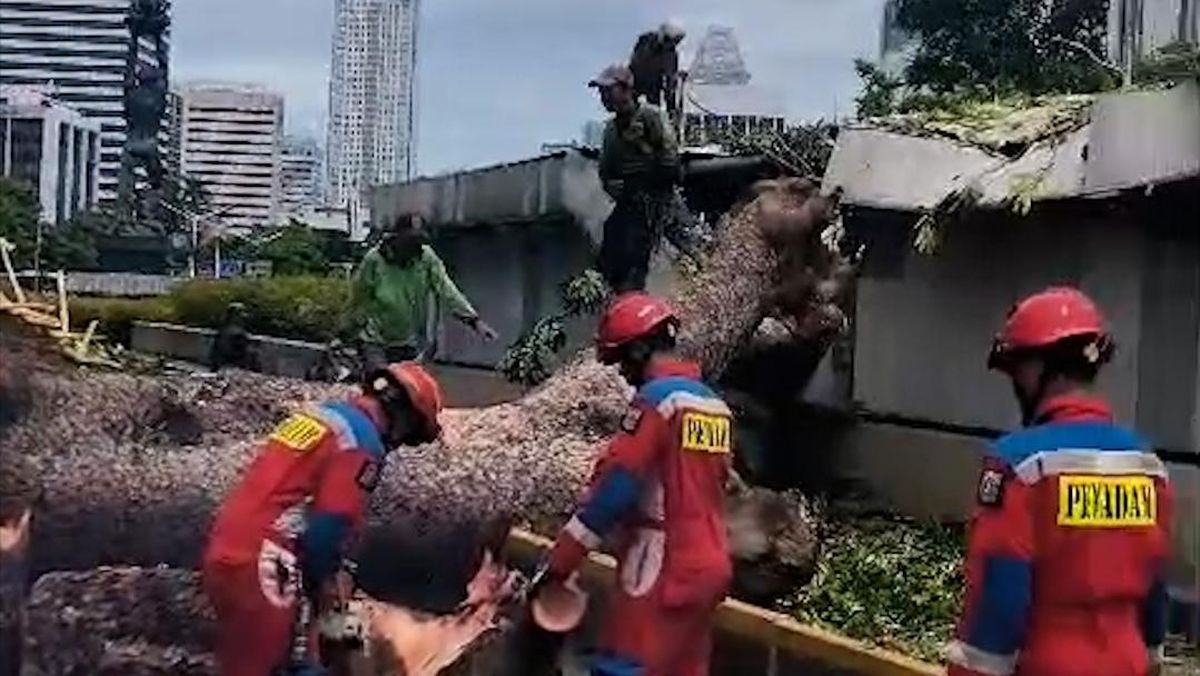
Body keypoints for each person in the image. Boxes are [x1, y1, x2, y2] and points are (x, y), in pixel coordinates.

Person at [947, 287, 1174, 676]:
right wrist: (1149, 658)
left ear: (1037, 368)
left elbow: (1000, 597)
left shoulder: (1019, 465)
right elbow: (1155, 585)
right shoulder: (1147, 465)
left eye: (1016, 370)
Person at [533, 292, 733, 676]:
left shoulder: (656, 401)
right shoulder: (715, 407)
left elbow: (615, 492)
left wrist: (559, 562)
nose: (621, 373)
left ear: (641, 350)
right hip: (711, 564)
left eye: (622, 359)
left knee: (623, 664)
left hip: (661, 562)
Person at [202, 362, 445, 676]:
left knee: (253, 661)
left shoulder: (323, 417)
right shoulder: (361, 443)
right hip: (266, 560)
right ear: (403, 417)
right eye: (409, 435)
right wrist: (334, 601)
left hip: (230, 546)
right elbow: (326, 535)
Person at [591, 65, 700, 293]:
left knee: (696, 248)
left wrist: (653, 185)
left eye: (608, 91)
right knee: (616, 253)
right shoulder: (610, 130)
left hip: (661, 196)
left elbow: (670, 158)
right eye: (601, 92)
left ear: (626, 89)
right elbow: (606, 172)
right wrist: (620, 191)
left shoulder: (651, 116)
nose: (603, 97)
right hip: (631, 201)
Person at [349, 214, 497, 371]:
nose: (414, 248)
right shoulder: (374, 260)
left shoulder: (426, 258)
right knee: (381, 383)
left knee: (410, 388)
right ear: (397, 237)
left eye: (418, 242)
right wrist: (350, 331)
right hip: (376, 341)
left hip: (408, 342)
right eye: (410, 241)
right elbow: (358, 297)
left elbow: (447, 290)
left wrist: (474, 321)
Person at [630, 20, 686, 120]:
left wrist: (671, 109)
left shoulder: (671, 54)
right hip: (638, 82)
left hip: (654, 88)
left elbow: (670, 81)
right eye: (671, 40)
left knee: (654, 114)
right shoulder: (645, 41)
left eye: (676, 41)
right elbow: (635, 62)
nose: (673, 44)